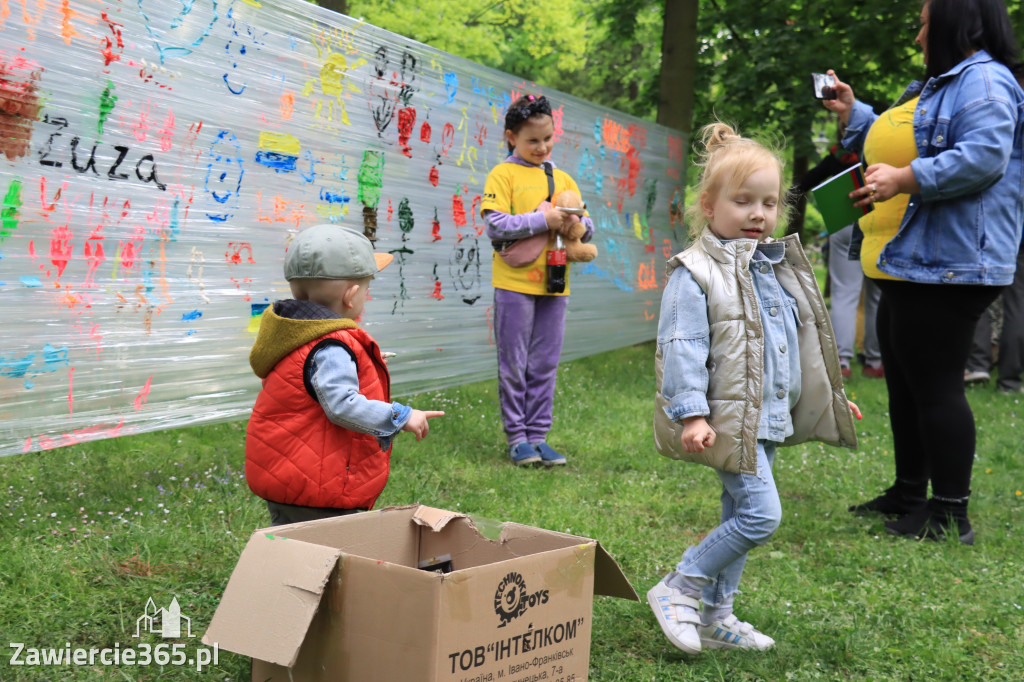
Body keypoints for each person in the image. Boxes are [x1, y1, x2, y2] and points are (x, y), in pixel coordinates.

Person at [648, 122, 860, 655]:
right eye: (743, 202)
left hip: (762, 418)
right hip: (724, 419)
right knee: (760, 515)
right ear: (709, 206)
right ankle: (681, 586)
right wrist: (692, 414)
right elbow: (682, 346)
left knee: (737, 514)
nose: (759, 214)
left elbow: (792, 345)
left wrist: (830, 395)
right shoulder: (694, 274)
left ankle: (718, 616)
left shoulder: (769, 268)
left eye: (769, 202)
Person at [825, 0, 1024, 544]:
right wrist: (855, 113)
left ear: (960, 22)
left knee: (935, 386)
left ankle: (950, 514)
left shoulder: (984, 82)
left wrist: (908, 178)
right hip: (912, 262)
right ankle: (911, 491)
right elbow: (906, 138)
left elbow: (984, 156)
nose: (917, 37)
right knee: (908, 386)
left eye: (924, 24)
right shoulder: (940, 84)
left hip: (952, 263)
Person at [245, 224, 444, 526]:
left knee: (291, 545)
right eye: (367, 287)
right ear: (351, 296)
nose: (367, 294)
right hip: (318, 483)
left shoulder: (293, 331)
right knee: (320, 553)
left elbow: (306, 373)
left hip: (290, 472)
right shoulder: (332, 347)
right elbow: (342, 404)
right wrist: (401, 416)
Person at [481, 94, 594, 466]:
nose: (542, 147)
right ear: (511, 136)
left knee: (545, 362)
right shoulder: (503, 174)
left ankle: (539, 437)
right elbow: (495, 225)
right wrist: (541, 220)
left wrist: (579, 224)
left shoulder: (562, 178)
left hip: (556, 283)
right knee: (514, 362)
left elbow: (586, 227)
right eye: (532, 140)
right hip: (514, 285)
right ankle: (517, 439)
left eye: (548, 139)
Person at [790, 144, 884, 378]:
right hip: (879, 221)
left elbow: (804, 183)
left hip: (845, 219)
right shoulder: (881, 150)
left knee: (844, 292)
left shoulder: (838, 157)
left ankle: (841, 361)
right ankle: (874, 361)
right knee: (876, 295)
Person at [965, 238, 1024, 393]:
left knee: (976, 289)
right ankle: (1010, 381)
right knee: (1018, 302)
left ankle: (977, 364)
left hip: (990, 230)